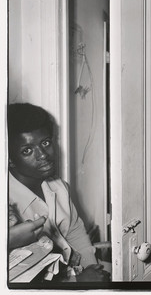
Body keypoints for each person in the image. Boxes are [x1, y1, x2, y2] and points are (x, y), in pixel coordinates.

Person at [8, 102, 109, 282]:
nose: (43, 155)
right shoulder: (7, 207)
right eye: (28, 150)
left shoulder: (59, 187)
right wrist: (77, 283)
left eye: (46, 142)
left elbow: (75, 231)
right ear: (9, 159)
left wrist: (91, 270)